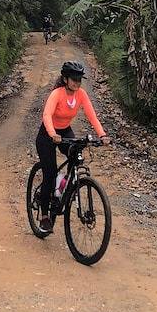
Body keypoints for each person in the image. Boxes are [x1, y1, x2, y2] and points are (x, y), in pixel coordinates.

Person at [35, 61, 110, 231]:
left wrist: (102, 135)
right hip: (47, 134)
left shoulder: (81, 94)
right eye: (74, 79)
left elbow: (92, 115)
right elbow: (47, 114)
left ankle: (64, 186)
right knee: (50, 174)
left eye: (79, 79)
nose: (77, 82)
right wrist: (52, 133)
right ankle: (45, 216)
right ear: (65, 79)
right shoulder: (57, 94)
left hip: (65, 131)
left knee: (76, 154)